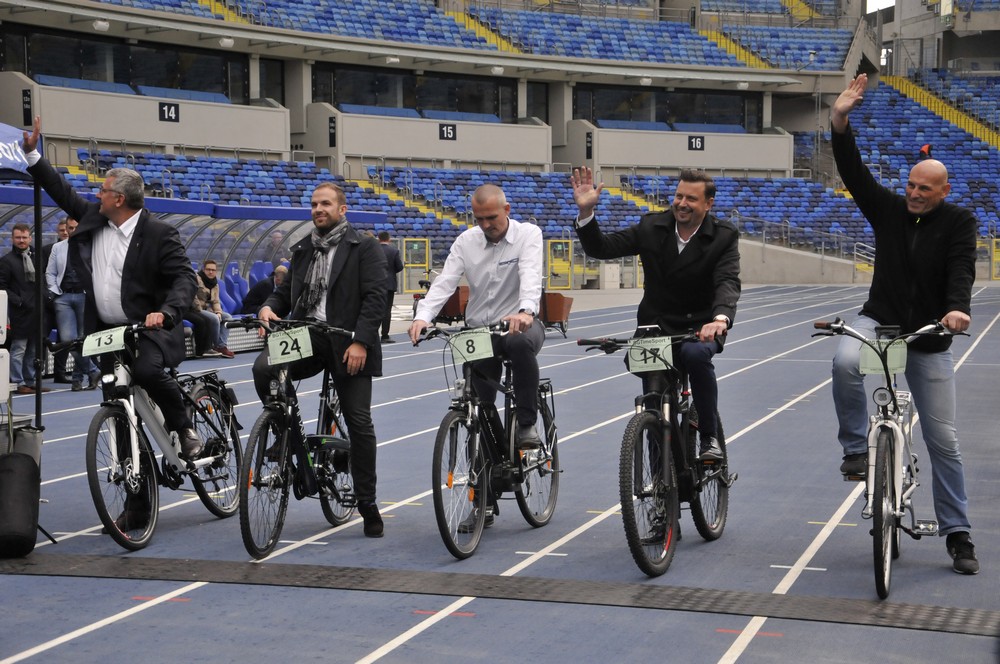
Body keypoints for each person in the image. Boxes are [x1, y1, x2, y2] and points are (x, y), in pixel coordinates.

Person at [830, 73, 979, 575]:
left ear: (944, 191)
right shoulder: (889, 210)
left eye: (924, 189)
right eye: (910, 185)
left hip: (930, 336)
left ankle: (958, 533)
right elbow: (854, 173)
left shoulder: (959, 223)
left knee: (944, 441)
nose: (913, 193)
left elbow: (961, 269)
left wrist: (956, 310)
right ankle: (856, 449)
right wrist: (840, 121)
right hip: (881, 321)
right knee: (844, 360)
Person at [21, 117, 202, 469]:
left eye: (102, 191)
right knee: (114, 398)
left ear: (118, 199)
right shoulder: (95, 218)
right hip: (107, 332)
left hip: (150, 329)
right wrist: (33, 155)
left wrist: (166, 312)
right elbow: (61, 190)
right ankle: (134, 484)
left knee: (147, 372)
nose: (96, 195)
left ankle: (184, 427)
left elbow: (184, 279)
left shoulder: (159, 233)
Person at [570, 167, 740, 462]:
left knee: (696, 355)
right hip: (656, 327)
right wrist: (586, 213)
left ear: (708, 204)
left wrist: (719, 319)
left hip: (699, 327)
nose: (682, 203)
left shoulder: (722, 236)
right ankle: (659, 479)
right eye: (679, 196)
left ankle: (708, 436)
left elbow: (727, 281)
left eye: (691, 199)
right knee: (655, 401)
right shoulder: (652, 226)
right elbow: (602, 247)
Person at [253, 182, 387, 538]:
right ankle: (283, 435)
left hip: (348, 338)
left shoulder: (365, 247)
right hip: (308, 334)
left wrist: (361, 342)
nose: (318, 210)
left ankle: (367, 501)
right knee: (264, 368)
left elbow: (376, 297)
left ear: (342, 209)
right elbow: (286, 292)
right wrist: (268, 306)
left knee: (359, 421)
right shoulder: (304, 249)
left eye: (325, 204)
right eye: (314, 204)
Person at [407, 184, 545, 530]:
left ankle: (526, 423)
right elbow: (445, 282)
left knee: (518, 344)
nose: (485, 225)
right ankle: (484, 502)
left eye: (491, 218)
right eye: (479, 218)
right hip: (480, 332)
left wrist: (526, 311)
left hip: (520, 324)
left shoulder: (528, 235)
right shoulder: (466, 241)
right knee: (476, 411)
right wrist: (423, 317)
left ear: (507, 210)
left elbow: (531, 275)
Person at [45, 216, 101, 391]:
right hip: (64, 297)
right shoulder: (58, 247)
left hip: (84, 296)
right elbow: (50, 273)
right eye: (70, 228)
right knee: (69, 340)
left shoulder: (91, 246)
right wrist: (55, 291)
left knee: (83, 340)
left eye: (76, 227)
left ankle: (77, 379)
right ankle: (93, 371)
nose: (73, 231)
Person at [0, 223, 50, 394]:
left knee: (33, 350)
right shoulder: (6, 261)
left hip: (38, 310)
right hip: (20, 312)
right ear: (12, 239)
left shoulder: (37, 257)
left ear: (30, 238)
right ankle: (18, 382)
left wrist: (45, 296)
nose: (21, 240)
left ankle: (31, 381)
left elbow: (44, 278)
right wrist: (18, 301)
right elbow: (2, 286)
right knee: (18, 349)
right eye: (18, 237)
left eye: (24, 237)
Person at [42, 218, 71, 384]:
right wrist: (49, 296)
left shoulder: (77, 249)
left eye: (67, 229)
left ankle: (60, 373)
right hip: (48, 304)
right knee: (42, 337)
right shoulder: (47, 250)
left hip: (66, 302)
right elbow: (42, 274)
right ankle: (37, 373)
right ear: (57, 232)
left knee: (65, 339)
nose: (65, 233)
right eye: (62, 230)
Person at [188, 259, 234, 358]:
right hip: (196, 309)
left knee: (228, 317)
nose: (211, 272)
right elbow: (193, 298)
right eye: (208, 269)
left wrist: (218, 312)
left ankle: (222, 346)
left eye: (213, 270)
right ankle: (215, 346)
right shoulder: (196, 279)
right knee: (214, 318)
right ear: (203, 269)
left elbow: (216, 301)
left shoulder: (215, 284)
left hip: (207, 309)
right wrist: (203, 311)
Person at [378, 230, 403, 343]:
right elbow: (399, 267)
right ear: (389, 239)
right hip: (389, 284)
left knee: (374, 308)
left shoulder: (374, 249)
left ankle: (372, 334)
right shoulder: (394, 251)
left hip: (375, 283)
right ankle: (385, 335)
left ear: (379, 239)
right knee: (387, 310)